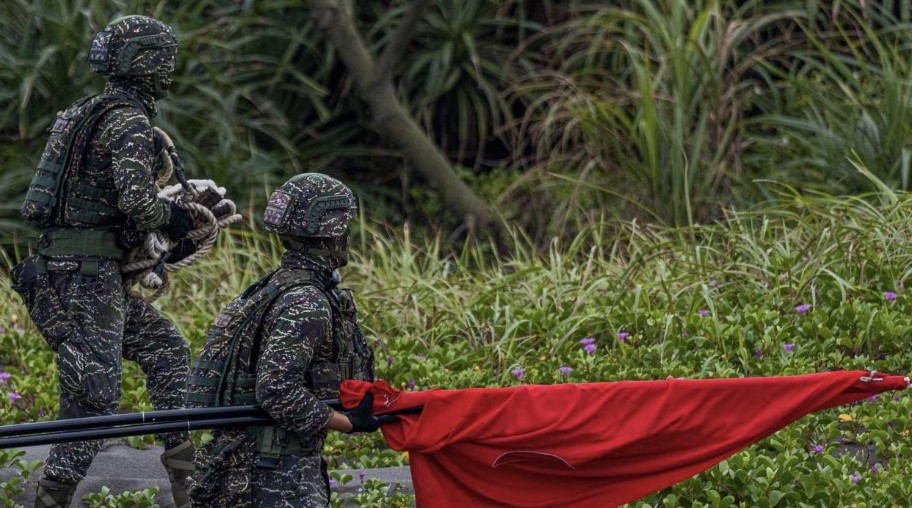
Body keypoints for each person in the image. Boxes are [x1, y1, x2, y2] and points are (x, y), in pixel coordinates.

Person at [11, 15, 197, 508]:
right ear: (145, 63)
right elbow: (138, 204)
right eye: (163, 58)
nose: (169, 68)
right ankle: (52, 499)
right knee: (92, 401)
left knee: (166, 348)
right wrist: (174, 218)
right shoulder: (129, 120)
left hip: (75, 274)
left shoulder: (83, 112)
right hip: (86, 278)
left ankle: (188, 483)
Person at [185, 173, 379, 507]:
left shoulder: (273, 288)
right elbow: (276, 390)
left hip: (251, 467)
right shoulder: (307, 301)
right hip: (274, 475)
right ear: (333, 233)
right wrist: (347, 423)